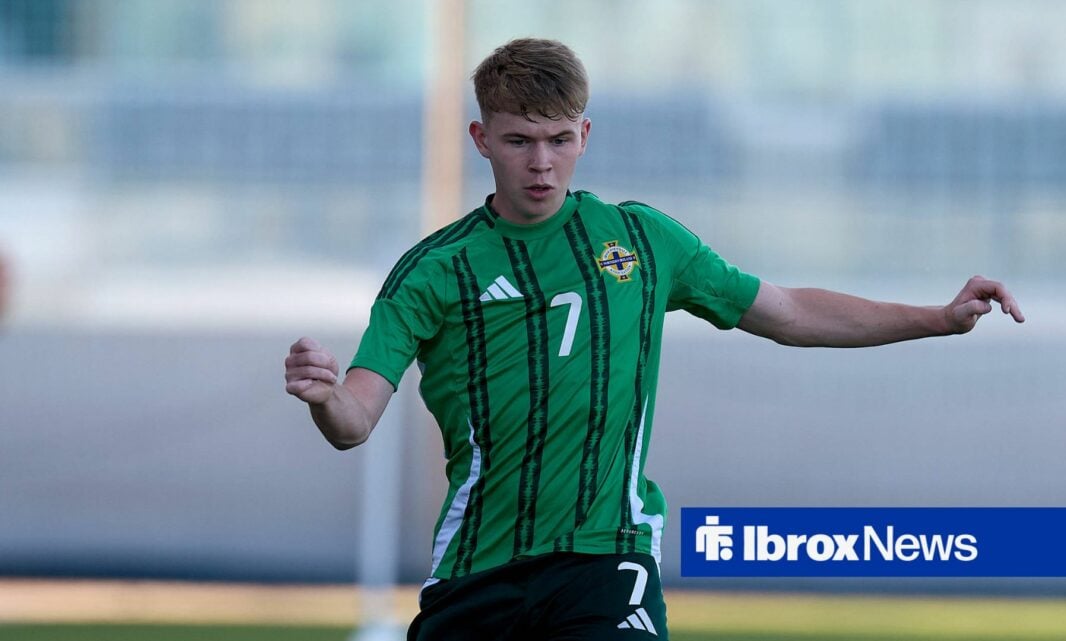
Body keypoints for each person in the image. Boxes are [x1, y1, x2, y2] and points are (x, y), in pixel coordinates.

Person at [284, 38, 1024, 640]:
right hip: (476, 575)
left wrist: (934, 317)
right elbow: (355, 420)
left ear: (585, 136)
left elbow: (789, 311)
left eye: (558, 140)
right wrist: (324, 395)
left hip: (608, 560)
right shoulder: (433, 271)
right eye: (518, 141)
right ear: (481, 138)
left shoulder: (640, 240)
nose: (541, 163)